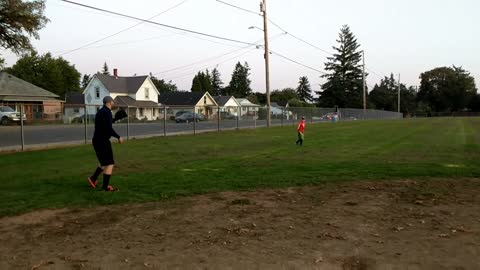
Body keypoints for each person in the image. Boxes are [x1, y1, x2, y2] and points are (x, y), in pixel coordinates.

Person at [87, 96, 123, 192]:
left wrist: (115, 118)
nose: (114, 103)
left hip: (98, 140)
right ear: (109, 102)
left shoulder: (102, 111)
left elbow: (105, 124)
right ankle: (105, 187)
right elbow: (108, 129)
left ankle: (93, 178)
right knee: (110, 163)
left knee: (104, 163)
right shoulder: (107, 112)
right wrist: (118, 137)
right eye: (113, 101)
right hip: (102, 141)